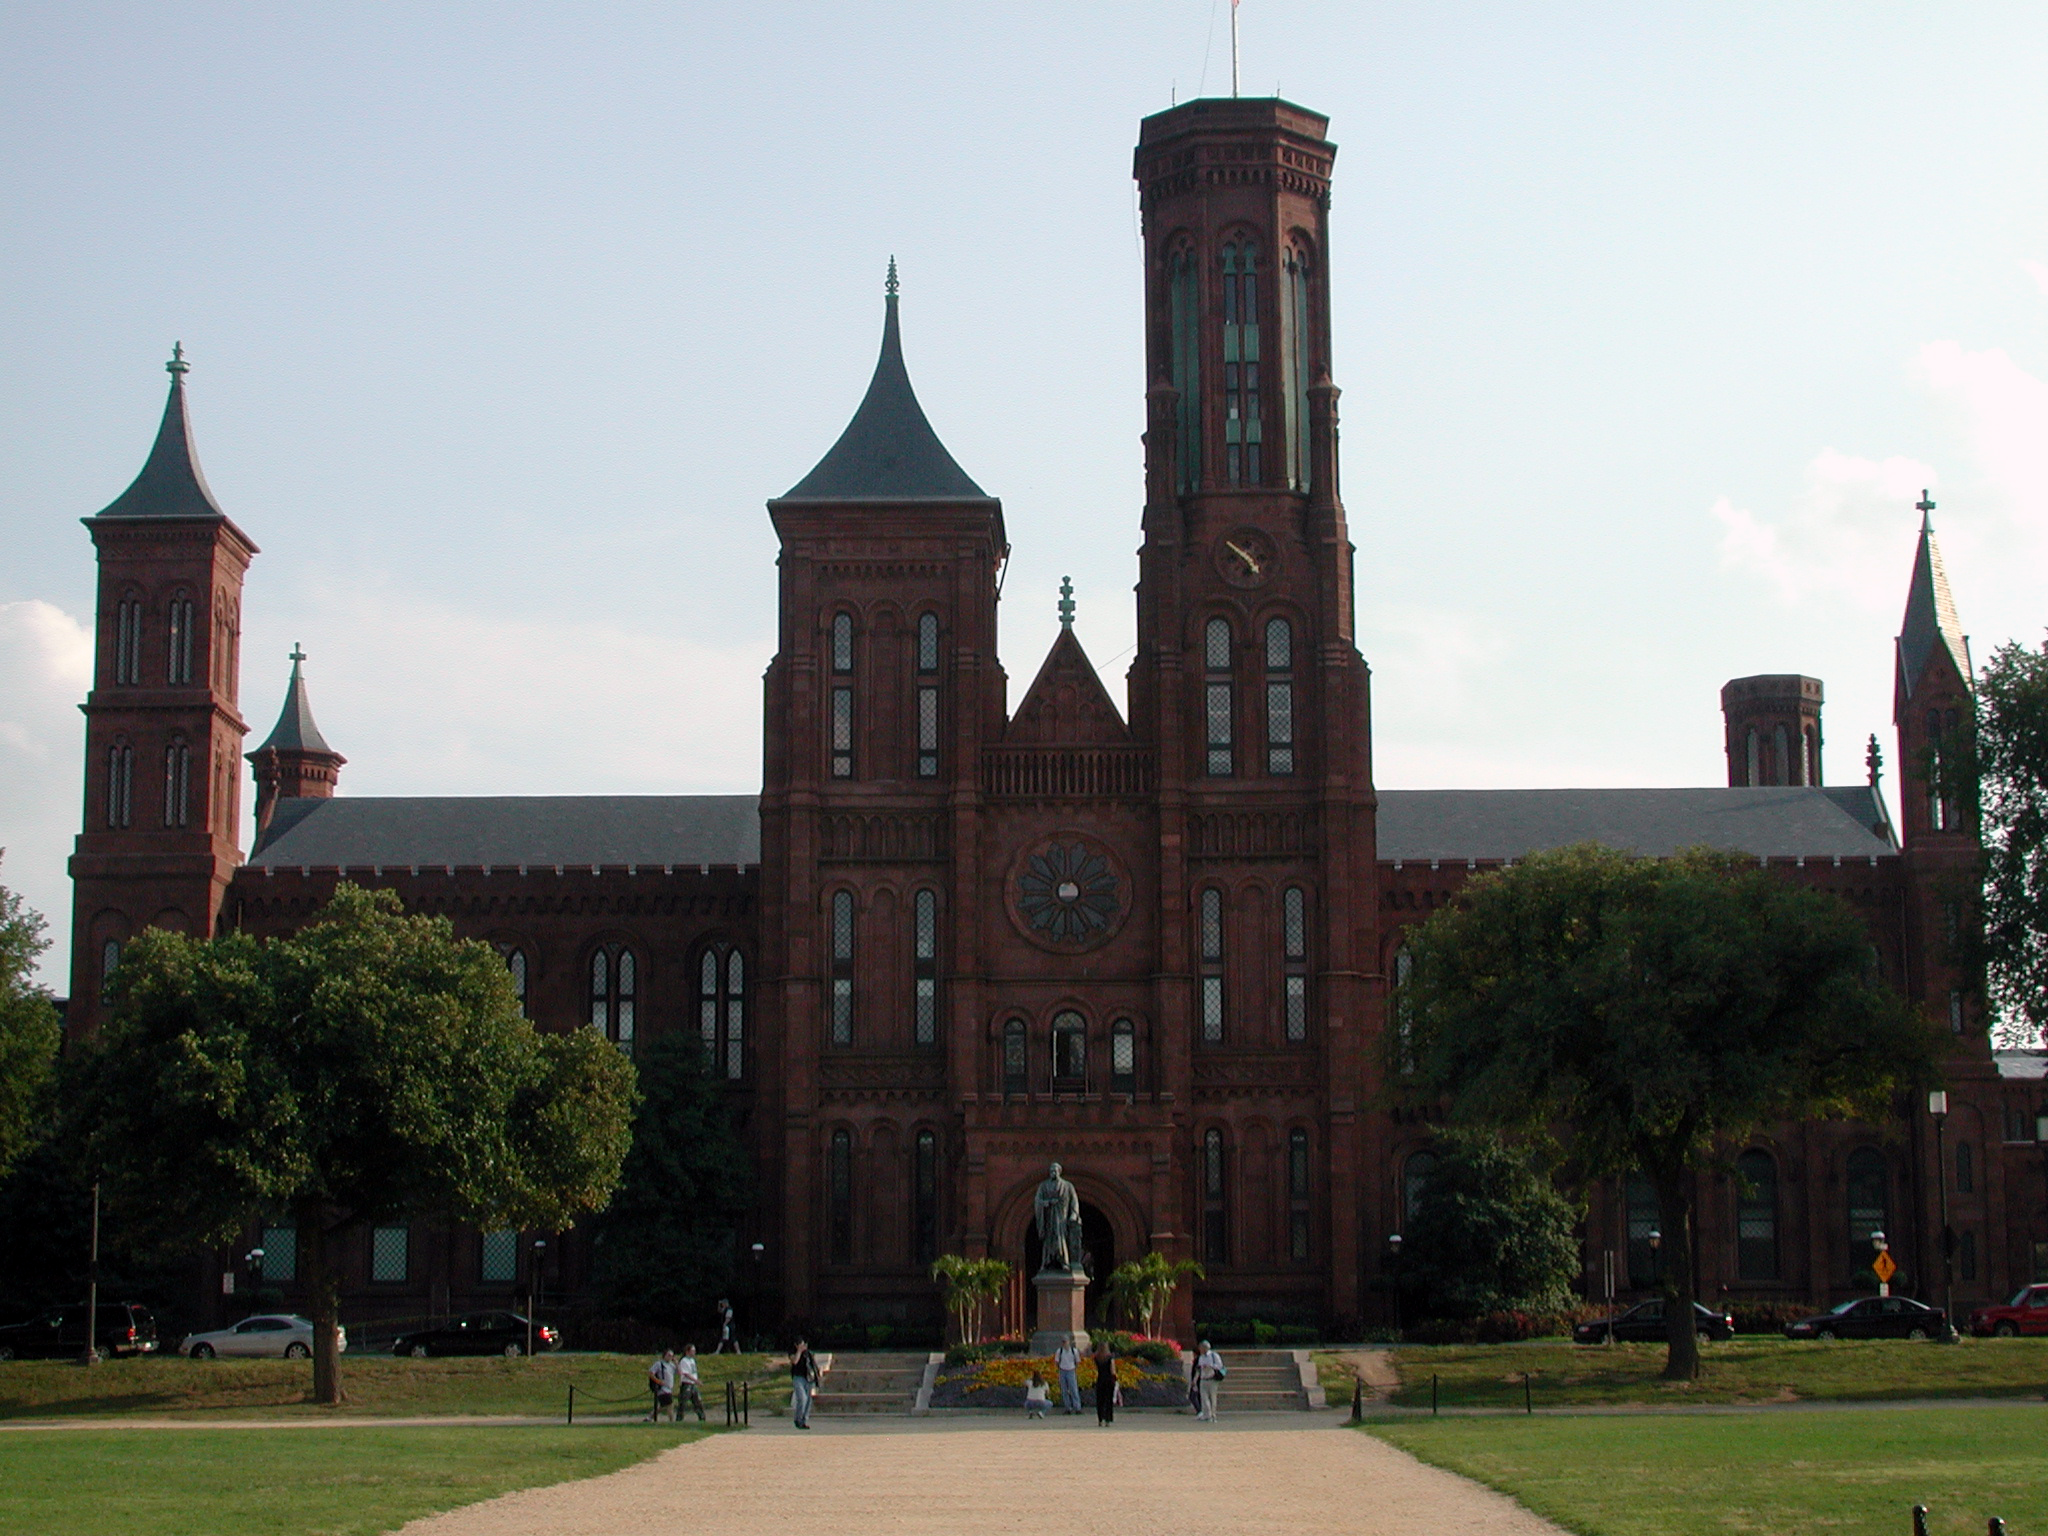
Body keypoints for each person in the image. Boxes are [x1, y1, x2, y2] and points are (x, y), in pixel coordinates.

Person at [789, 1338, 820, 1429]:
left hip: (808, 1378)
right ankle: (798, 1419)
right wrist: (799, 1351)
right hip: (798, 1378)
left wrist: (816, 1377)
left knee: (808, 1400)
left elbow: (813, 1365)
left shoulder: (808, 1354)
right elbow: (794, 1361)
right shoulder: (793, 1353)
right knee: (802, 1398)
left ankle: (804, 1420)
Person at [1194, 1339, 1225, 1421]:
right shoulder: (1201, 1357)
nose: (1200, 1350)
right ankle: (1206, 1415)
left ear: (1205, 1348)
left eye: (1201, 1348)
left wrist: (1210, 1366)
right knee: (1204, 1398)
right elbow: (1199, 1368)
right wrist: (1195, 1379)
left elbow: (1219, 1366)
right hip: (1203, 1379)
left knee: (1212, 1397)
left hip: (1212, 1379)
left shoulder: (1214, 1356)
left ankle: (1213, 1415)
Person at [675, 1342, 706, 1421]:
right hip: (687, 1384)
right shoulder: (684, 1361)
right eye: (692, 1351)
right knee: (683, 1403)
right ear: (687, 1351)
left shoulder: (692, 1360)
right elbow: (686, 1374)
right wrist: (696, 1381)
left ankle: (702, 1417)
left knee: (698, 1402)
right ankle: (679, 1419)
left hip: (693, 1384)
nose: (694, 1352)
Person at [1053, 1338, 1082, 1415]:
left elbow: (1077, 1361)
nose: (1064, 1343)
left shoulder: (1074, 1351)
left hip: (1071, 1370)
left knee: (1074, 1390)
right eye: (1063, 1342)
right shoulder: (1059, 1351)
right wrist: (1057, 1369)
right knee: (1064, 1390)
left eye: (1065, 1342)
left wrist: (1075, 1369)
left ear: (1069, 1342)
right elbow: (1056, 1361)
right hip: (1062, 1370)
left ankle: (1077, 1407)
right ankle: (1067, 1408)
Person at [647, 1350, 677, 1423]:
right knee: (670, 1404)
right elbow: (651, 1373)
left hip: (669, 1388)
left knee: (662, 1406)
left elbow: (679, 1372)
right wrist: (658, 1381)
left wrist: (677, 1363)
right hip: (663, 1389)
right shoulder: (659, 1364)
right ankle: (671, 1421)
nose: (670, 1357)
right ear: (664, 1355)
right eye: (669, 1355)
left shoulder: (672, 1365)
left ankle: (649, 1417)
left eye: (672, 1356)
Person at [1093, 1339, 1117, 1425]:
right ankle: (1107, 1419)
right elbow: (1113, 1370)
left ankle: (1100, 1419)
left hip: (1100, 1379)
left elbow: (1094, 1370)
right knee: (1108, 1400)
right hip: (1109, 1380)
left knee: (1100, 1400)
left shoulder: (1096, 1358)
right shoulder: (1110, 1358)